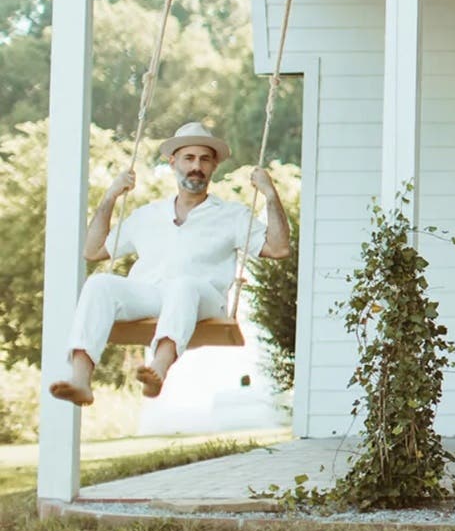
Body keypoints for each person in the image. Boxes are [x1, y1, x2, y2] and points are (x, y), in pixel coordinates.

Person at [48, 122, 291, 406]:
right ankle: (80, 379)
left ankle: (158, 370)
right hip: (150, 293)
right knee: (100, 283)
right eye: (189, 158)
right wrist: (110, 196)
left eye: (204, 159)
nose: (196, 166)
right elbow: (93, 251)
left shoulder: (231, 215)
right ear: (173, 161)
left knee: (183, 285)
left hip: (202, 298)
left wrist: (270, 194)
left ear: (214, 167)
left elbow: (279, 248)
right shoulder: (148, 215)